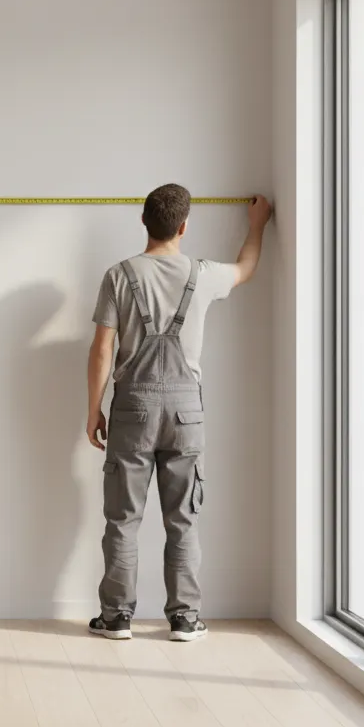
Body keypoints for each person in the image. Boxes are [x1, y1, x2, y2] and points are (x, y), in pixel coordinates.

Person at [85, 184, 271, 641]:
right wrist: (256, 225)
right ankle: (185, 618)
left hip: (132, 407)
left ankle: (116, 619)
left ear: (144, 222)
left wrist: (94, 410)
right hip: (187, 411)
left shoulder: (119, 275)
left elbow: (102, 349)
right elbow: (247, 268)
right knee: (182, 519)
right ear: (184, 227)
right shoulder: (203, 273)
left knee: (123, 519)